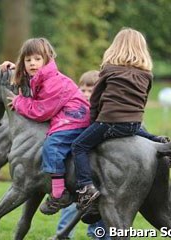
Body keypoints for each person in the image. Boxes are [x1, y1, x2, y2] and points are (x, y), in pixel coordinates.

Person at [71, 27, 170, 212]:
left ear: (116, 47)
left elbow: (96, 99)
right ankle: (157, 140)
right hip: (133, 124)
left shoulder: (109, 70)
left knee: (79, 146)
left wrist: (92, 123)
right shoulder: (147, 75)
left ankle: (86, 187)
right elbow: (143, 99)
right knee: (130, 128)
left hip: (109, 121)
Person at [0, 37, 97, 215]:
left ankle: (59, 192)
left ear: (47, 59)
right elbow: (27, 82)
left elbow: (41, 111)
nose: (32, 64)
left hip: (74, 117)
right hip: (68, 116)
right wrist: (11, 68)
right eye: (28, 60)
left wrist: (19, 102)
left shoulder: (54, 82)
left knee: (52, 146)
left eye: (37, 59)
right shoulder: (41, 76)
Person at [55, 70, 110, 240]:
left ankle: (99, 235)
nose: (85, 94)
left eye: (90, 90)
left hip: (97, 172)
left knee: (100, 210)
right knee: (70, 207)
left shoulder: (101, 113)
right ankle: (63, 235)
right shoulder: (77, 110)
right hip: (77, 174)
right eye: (83, 90)